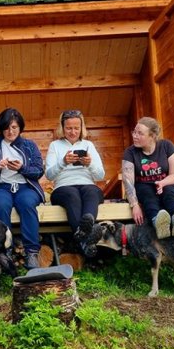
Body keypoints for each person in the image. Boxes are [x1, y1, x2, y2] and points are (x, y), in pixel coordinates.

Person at [0, 108, 45, 269]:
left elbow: (38, 171)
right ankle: (4, 250)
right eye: (7, 127)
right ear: (1, 128)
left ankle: (32, 253)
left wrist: (22, 168)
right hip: (1, 187)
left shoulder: (29, 145)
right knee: (1, 204)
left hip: (25, 186)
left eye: (14, 127)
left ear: (20, 127)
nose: (10, 131)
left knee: (27, 203)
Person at [45, 109, 105, 256]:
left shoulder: (88, 145)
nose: (72, 132)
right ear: (62, 128)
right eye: (69, 128)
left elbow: (100, 175)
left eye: (76, 128)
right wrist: (63, 162)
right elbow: (49, 175)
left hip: (87, 183)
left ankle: (83, 235)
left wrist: (90, 163)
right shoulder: (55, 146)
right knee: (72, 194)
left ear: (81, 128)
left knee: (91, 191)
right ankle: (88, 237)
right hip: (63, 187)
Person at [122, 116, 174, 239]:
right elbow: (128, 182)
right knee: (147, 193)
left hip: (167, 183)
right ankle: (157, 221)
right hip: (144, 187)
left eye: (140, 133)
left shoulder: (167, 146)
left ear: (152, 136)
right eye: (134, 131)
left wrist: (163, 183)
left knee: (169, 191)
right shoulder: (130, 152)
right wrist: (135, 205)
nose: (135, 136)